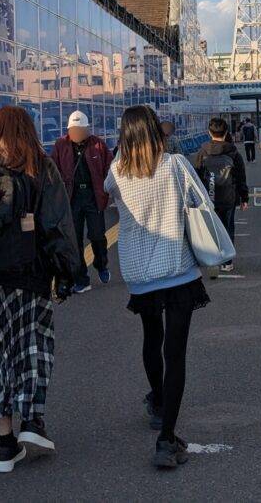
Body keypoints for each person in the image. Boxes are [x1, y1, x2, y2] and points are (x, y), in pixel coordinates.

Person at [0, 105, 80, 473]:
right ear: (28, 130)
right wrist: (67, 273)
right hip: (29, 280)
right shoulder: (40, 168)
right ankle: (32, 423)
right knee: (33, 348)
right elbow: (57, 226)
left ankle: (4, 446)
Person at [104, 105, 210, 470]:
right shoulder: (174, 166)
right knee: (175, 352)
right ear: (155, 131)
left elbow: (107, 193)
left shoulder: (116, 171)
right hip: (177, 269)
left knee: (151, 338)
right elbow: (201, 202)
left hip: (139, 273)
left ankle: (159, 402)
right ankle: (166, 439)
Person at [52, 110, 114, 295]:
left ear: (87, 129)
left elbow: (110, 169)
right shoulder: (61, 145)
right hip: (72, 198)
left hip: (94, 196)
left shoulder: (98, 145)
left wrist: (109, 192)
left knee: (97, 236)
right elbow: (53, 168)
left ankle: (101, 264)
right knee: (74, 240)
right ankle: (81, 279)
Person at [192, 117, 248, 273]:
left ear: (209, 133)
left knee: (210, 229)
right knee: (228, 227)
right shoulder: (233, 153)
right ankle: (227, 261)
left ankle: (212, 259)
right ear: (226, 133)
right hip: (229, 197)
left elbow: (195, 177)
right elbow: (241, 177)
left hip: (208, 197)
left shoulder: (201, 152)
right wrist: (244, 198)